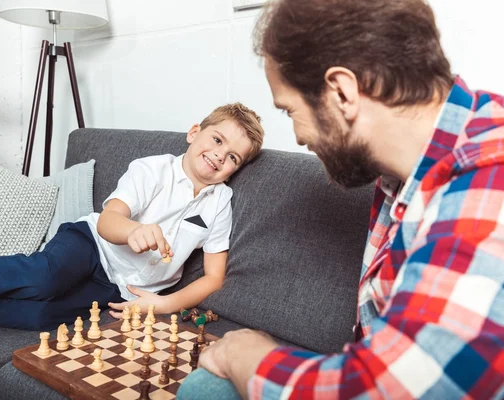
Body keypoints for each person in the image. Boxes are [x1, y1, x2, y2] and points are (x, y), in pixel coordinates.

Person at [177, 0, 504, 398]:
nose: (298, 137)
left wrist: (250, 356)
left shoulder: (486, 186)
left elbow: (386, 391)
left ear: (342, 92)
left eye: (290, 111)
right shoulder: (404, 174)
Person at [0, 103, 264, 330]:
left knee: (41, 317)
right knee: (43, 278)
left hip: (118, 287)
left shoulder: (220, 202)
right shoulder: (152, 170)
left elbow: (215, 276)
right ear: (194, 133)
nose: (220, 156)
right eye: (217, 140)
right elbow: (110, 220)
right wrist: (133, 230)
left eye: (233, 157)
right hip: (90, 243)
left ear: (235, 170)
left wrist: (164, 303)